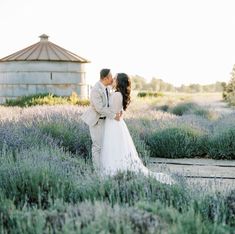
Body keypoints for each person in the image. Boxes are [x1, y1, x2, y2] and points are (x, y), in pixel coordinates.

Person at [100, 73, 175, 185]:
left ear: (119, 82)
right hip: (117, 125)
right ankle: (115, 171)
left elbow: (115, 114)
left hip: (113, 125)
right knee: (117, 148)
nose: (112, 80)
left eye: (115, 78)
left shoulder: (116, 95)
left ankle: (112, 171)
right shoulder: (118, 94)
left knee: (113, 147)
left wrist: (102, 111)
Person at [81, 69, 121, 172]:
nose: (112, 79)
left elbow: (110, 103)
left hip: (105, 121)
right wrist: (113, 115)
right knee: (97, 147)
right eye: (111, 77)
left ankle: (105, 168)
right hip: (97, 121)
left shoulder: (107, 88)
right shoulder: (95, 89)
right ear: (105, 78)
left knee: (104, 146)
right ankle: (98, 171)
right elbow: (99, 108)